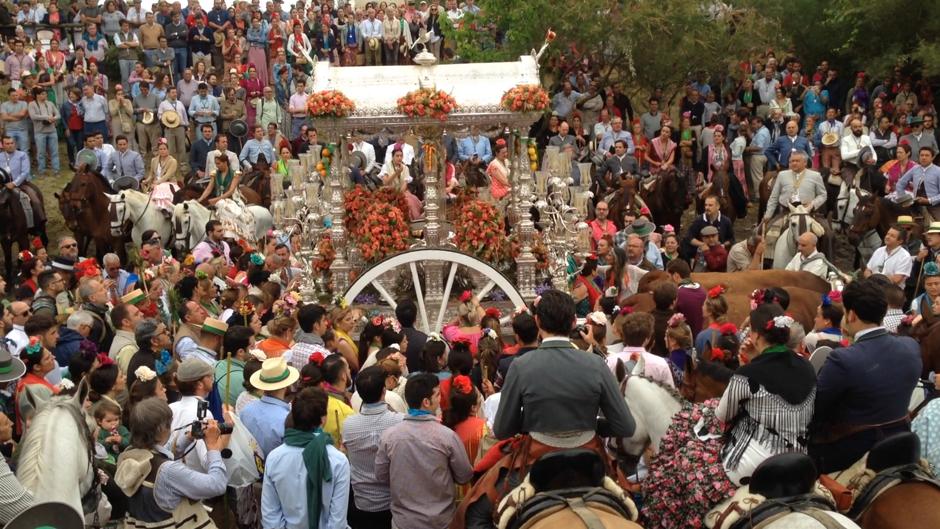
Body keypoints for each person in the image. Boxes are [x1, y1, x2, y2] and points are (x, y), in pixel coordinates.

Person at [810, 278, 921, 473]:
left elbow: (815, 409)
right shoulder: (910, 346)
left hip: (851, 451)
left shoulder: (843, 359)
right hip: (901, 443)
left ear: (851, 315)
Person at [717, 303, 816, 485]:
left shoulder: (746, 374)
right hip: (800, 462)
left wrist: (747, 365)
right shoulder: (807, 366)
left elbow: (722, 415)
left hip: (757, 465)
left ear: (755, 335)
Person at [375, 373, 472, 529]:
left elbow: (381, 475)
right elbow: (464, 475)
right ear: (426, 402)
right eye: (438, 395)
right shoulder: (446, 437)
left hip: (404, 522)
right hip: (440, 522)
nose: (441, 398)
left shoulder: (389, 437)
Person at [115, 398, 228, 528]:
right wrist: (213, 447)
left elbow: (161, 455)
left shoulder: (130, 456)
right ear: (162, 429)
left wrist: (189, 437)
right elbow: (217, 485)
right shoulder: (168, 471)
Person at [261, 386, 349, 529]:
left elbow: (270, 516)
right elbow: (337, 522)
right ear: (323, 419)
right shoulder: (338, 460)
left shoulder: (274, 457)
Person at [894, 146, 940, 222]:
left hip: (934, 206)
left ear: (932, 157)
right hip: (915, 205)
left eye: (927, 155)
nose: (924, 158)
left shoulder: (938, 171)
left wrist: (929, 200)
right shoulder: (915, 169)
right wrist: (905, 200)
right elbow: (900, 184)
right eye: (922, 155)